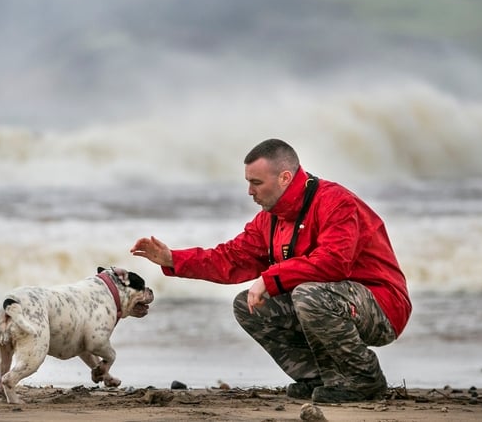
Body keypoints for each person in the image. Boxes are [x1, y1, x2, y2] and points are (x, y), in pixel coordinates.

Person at [130, 138, 411, 403]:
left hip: (384, 305)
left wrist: (270, 278)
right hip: (330, 301)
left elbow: (334, 262)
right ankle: (320, 378)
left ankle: (364, 380)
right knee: (247, 305)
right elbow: (231, 258)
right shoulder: (270, 218)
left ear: (285, 178)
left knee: (307, 295)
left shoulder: (336, 202)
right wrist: (172, 259)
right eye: (248, 182)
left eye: (256, 183)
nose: (250, 191)